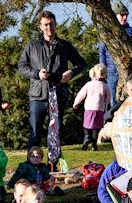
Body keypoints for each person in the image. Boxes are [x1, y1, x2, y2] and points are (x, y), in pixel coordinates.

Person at [18, 10, 86, 151]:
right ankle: (31, 166)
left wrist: (71, 72)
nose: (49, 27)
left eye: (51, 24)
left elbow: (82, 64)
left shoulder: (64, 45)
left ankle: (53, 164)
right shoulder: (33, 45)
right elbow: (22, 67)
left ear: (56, 24)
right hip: (38, 95)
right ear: (40, 26)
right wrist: (37, 74)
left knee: (55, 133)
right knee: (35, 133)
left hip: (58, 93)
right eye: (46, 25)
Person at [98, 0, 132, 104]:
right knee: (112, 101)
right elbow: (102, 52)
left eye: (126, 15)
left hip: (127, 72)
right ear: (115, 15)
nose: (124, 17)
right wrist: (102, 70)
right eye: (122, 15)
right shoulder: (106, 32)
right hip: (111, 73)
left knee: (127, 99)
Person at [72, 64, 111, 151]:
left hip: (89, 108)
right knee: (96, 126)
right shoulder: (105, 86)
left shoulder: (88, 84)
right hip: (99, 109)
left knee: (87, 124)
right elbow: (108, 98)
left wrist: (76, 103)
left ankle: (86, 137)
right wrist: (106, 102)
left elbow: (81, 94)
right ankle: (93, 143)